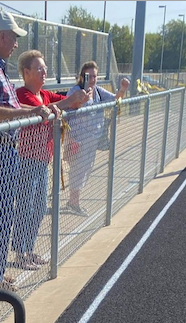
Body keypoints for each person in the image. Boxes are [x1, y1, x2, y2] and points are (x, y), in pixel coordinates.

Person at [0, 11, 60, 291]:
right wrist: (33, 111)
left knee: (4, 215)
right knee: (1, 215)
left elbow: (8, 109)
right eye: (14, 38)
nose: (16, 44)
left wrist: (38, 111)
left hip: (5, 149)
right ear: (2, 36)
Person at [12, 50, 90, 270]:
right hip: (27, 160)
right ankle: (20, 253)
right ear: (26, 72)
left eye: (45, 68)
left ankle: (29, 249)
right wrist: (68, 103)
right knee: (25, 208)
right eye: (39, 68)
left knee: (38, 208)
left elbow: (64, 103)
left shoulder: (44, 94)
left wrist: (77, 99)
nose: (44, 72)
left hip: (42, 160)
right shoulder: (23, 95)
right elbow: (49, 110)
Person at [63, 61, 130, 216]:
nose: (92, 79)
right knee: (77, 170)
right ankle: (74, 203)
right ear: (82, 76)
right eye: (89, 76)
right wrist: (70, 139)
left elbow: (115, 99)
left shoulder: (98, 91)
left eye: (94, 76)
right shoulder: (76, 90)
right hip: (78, 139)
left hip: (93, 139)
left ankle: (74, 201)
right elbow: (67, 111)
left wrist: (123, 89)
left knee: (86, 169)